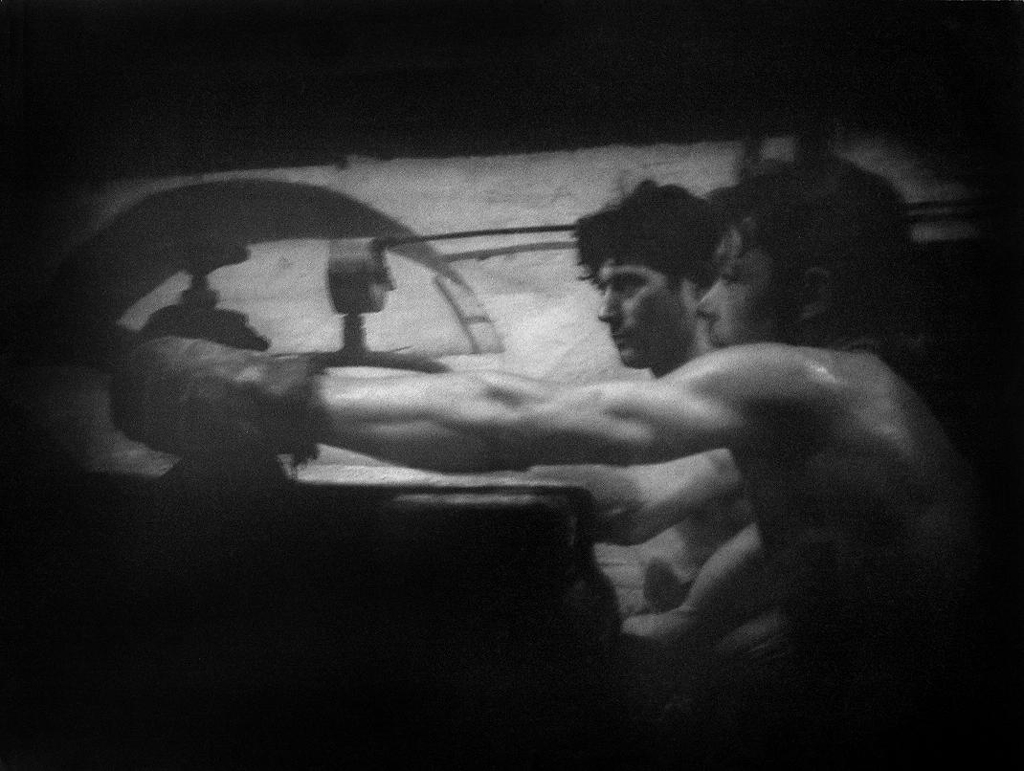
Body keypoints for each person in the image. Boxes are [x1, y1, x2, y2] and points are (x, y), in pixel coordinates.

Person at [111, 157, 981, 760]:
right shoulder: (833, 434)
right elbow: (709, 587)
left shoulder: (801, 381)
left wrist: (250, 388)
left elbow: (518, 416)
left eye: (733, 275)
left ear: (812, 294)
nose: (711, 302)